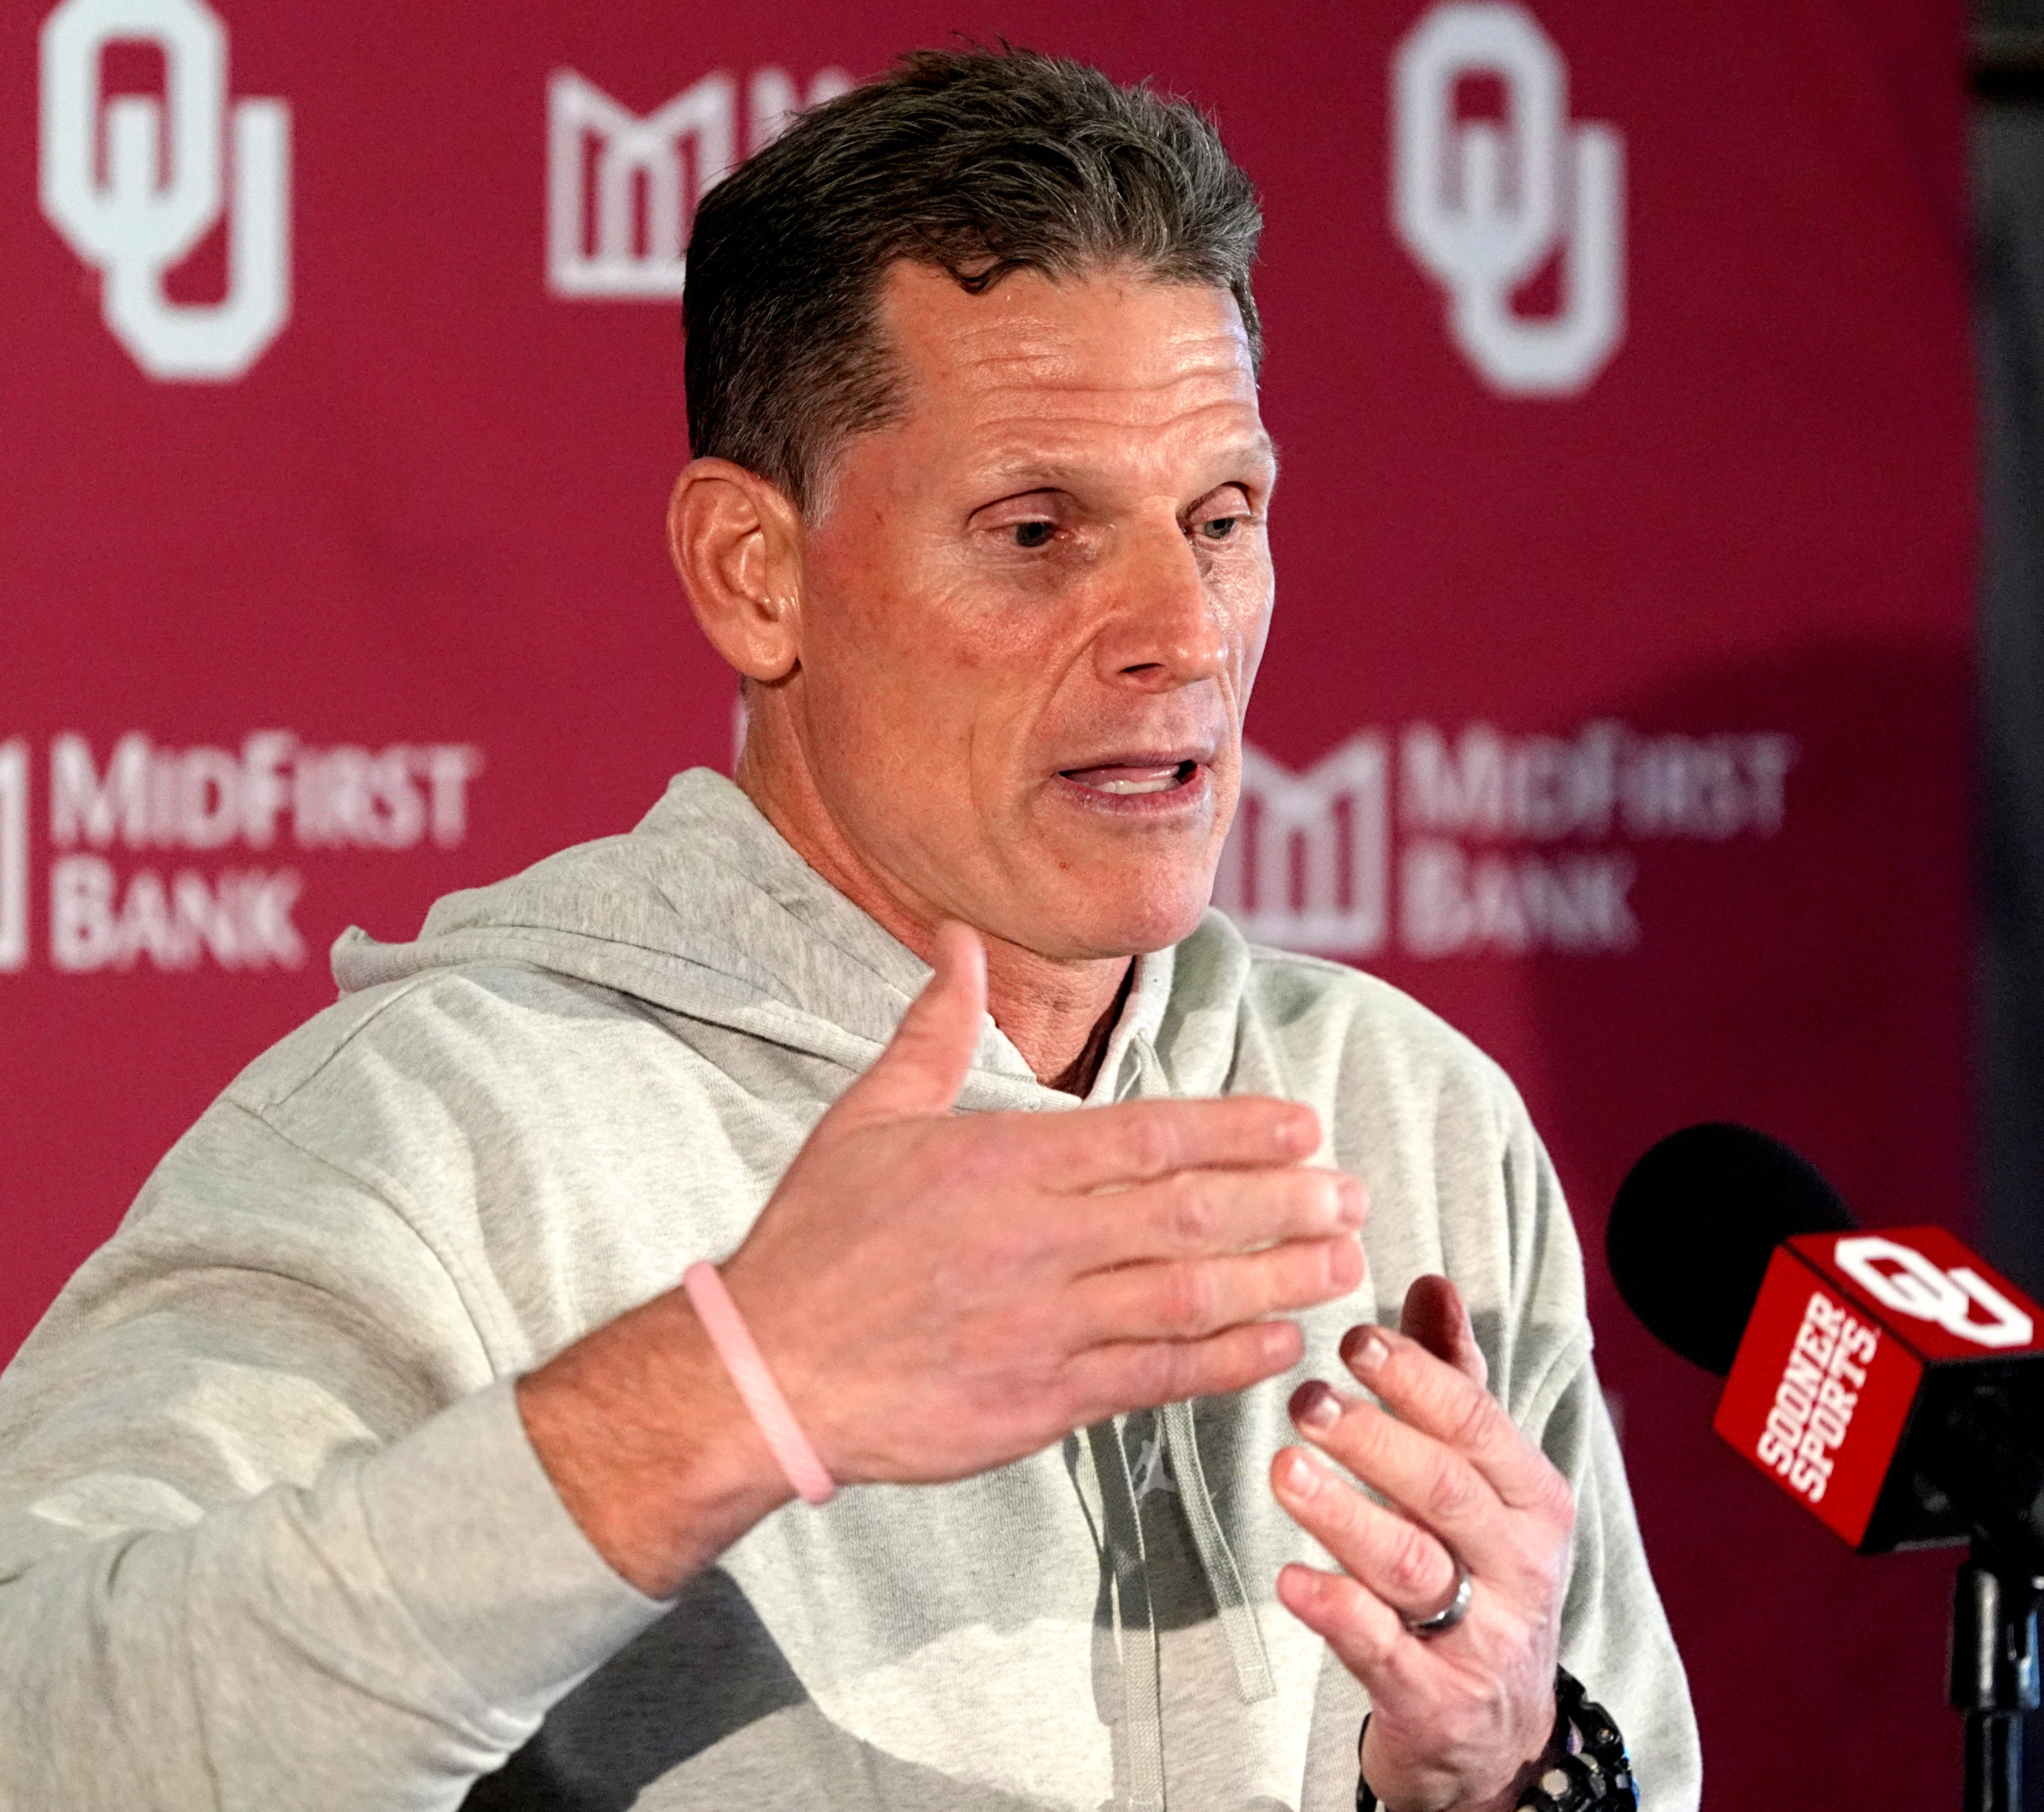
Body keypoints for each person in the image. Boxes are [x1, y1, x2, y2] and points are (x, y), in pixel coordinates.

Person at [0, 47, 1699, 1812]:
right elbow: (40, 1729)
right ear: (756, 571)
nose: (1182, 631)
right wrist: (734, 1386)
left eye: (1221, 519)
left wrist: (1508, 1774)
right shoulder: (452, 1130)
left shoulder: (1406, 1115)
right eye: (1037, 530)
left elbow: (1625, 1762)